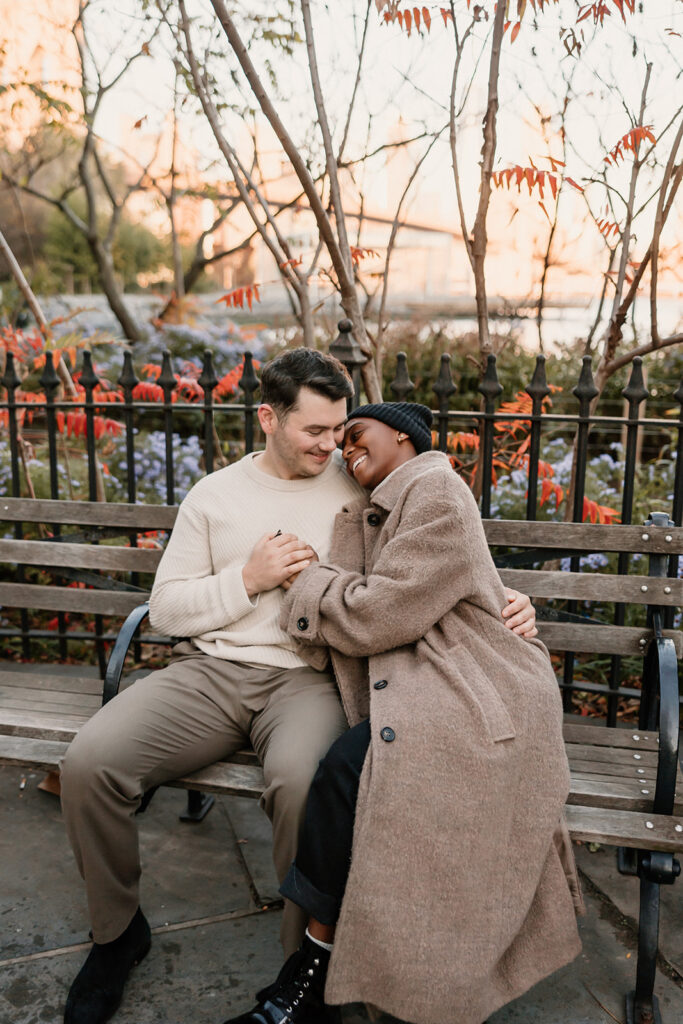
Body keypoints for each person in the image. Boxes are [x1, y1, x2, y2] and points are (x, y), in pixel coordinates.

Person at [58, 352, 537, 1024]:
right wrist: (247, 579)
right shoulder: (214, 494)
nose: (331, 445)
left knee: (301, 783)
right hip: (208, 674)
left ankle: (302, 979)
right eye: (314, 430)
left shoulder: (362, 486)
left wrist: (506, 599)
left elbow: (432, 563)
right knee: (89, 761)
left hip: (311, 681)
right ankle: (115, 935)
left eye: (339, 429)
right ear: (267, 417)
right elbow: (163, 611)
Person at [224, 402, 583, 1024]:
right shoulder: (387, 504)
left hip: (481, 686)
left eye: (356, 434)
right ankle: (316, 971)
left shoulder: (436, 489)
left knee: (346, 769)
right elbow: (381, 601)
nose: (345, 448)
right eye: (339, 441)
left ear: (403, 435)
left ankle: (312, 970)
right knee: (350, 775)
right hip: (439, 676)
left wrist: (305, 586)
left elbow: (377, 613)